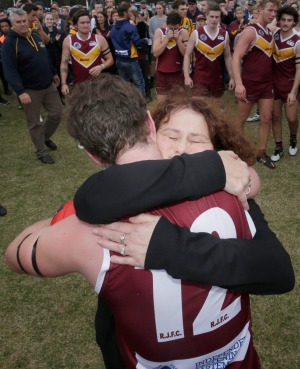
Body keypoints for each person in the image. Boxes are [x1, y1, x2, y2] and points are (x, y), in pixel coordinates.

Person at [6, 75, 294, 369]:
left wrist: (64, 216)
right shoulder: (233, 189)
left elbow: (16, 252)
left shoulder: (90, 231)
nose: (182, 149)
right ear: (150, 124)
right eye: (172, 136)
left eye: (196, 140)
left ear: (92, 156)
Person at [2, 8, 62, 164]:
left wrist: (53, 72)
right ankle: (41, 152)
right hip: (29, 89)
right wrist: (20, 91)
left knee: (56, 113)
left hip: (48, 85)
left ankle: (45, 137)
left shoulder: (34, 34)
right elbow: (9, 70)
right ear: (12, 24)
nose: (23, 25)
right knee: (34, 122)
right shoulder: (10, 42)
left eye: (24, 21)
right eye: (19, 22)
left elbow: (44, 57)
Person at [232, 0, 280, 169]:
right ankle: (237, 152)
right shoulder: (250, 31)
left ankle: (261, 152)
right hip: (249, 83)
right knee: (241, 119)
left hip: (267, 84)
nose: (273, 14)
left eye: (275, 11)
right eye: (270, 10)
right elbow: (236, 57)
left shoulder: (269, 31)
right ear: (260, 10)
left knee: (266, 118)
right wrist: (238, 83)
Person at [183, 2, 234, 106]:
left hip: (217, 79)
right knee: (198, 110)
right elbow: (187, 55)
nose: (214, 20)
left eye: (217, 17)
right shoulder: (196, 34)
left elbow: (228, 57)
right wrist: (187, 76)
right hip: (200, 78)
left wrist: (232, 76)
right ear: (206, 16)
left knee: (217, 112)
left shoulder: (224, 35)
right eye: (211, 16)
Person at [60, 9, 113, 95]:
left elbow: (110, 60)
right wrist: (63, 84)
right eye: (82, 23)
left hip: (98, 86)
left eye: (88, 22)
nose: (86, 25)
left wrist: (101, 67)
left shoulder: (99, 39)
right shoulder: (68, 40)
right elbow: (64, 64)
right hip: (79, 86)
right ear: (75, 25)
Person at [271, 6, 300, 161]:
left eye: (289, 20)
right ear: (279, 19)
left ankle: (293, 139)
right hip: (273, 85)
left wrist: (294, 91)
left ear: (294, 22)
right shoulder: (273, 35)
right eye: (283, 19)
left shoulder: (297, 41)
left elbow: (299, 69)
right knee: (275, 117)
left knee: (292, 118)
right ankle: (278, 147)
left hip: (289, 86)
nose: (286, 23)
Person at [110, 3, 148, 97]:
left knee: (123, 86)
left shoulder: (113, 28)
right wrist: (145, 41)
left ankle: (125, 106)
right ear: (124, 13)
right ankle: (141, 106)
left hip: (119, 59)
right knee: (139, 84)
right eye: (129, 12)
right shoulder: (129, 26)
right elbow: (138, 43)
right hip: (130, 60)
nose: (130, 14)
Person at [153, 13, 189, 101]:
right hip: (162, 72)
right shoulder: (160, 32)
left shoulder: (183, 32)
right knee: (162, 105)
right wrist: (166, 39)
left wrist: (178, 41)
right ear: (167, 24)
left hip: (177, 72)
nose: (173, 31)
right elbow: (155, 53)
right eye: (170, 28)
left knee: (178, 105)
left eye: (176, 28)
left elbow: (186, 54)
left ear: (180, 25)